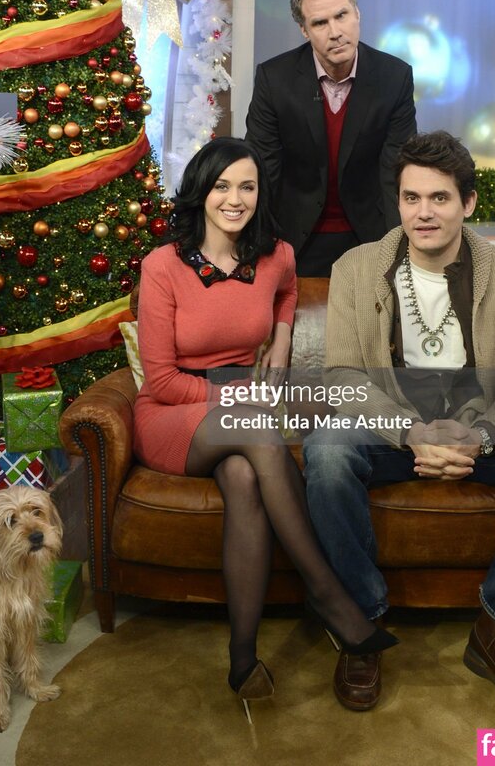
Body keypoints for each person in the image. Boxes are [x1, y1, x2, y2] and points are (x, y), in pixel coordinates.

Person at [303, 131, 495, 714]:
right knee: (327, 450)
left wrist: (483, 436)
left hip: (480, 435)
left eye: (439, 198)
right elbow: (342, 376)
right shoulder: (357, 268)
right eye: (411, 197)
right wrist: (409, 432)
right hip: (391, 434)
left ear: (467, 203)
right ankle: (361, 625)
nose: (423, 213)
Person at [132, 136, 394, 721]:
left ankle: (243, 658)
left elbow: (289, 290)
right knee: (255, 425)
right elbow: (162, 382)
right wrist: (241, 396)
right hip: (175, 413)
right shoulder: (163, 266)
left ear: (259, 193)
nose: (235, 198)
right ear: (200, 192)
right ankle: (328, 593)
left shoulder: (276, 255)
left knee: (245, 479)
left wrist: (281, 336)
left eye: (247, 186)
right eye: (222, 186)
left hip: (237, 414)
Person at [245, 0, 416, 276]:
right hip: (295, 237)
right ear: (304, 30)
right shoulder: (274, 79)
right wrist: (259, 250)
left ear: (357, 14)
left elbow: (397, 172)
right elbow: (263, 169)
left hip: (370, 233)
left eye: (341, 15)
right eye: (320, 23)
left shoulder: (394, 77)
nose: (335, 32)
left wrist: (398, 250)